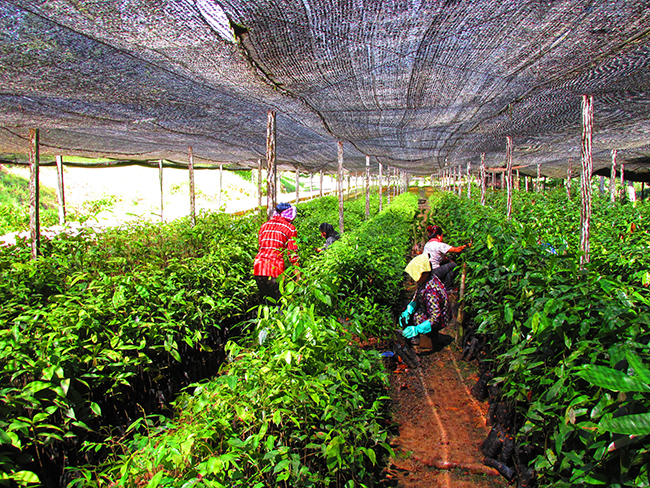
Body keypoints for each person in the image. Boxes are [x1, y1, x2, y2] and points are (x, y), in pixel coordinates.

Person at [398, 253, 450, 346]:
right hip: (428, 308)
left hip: (440, 317)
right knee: (411, 312)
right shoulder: (425, 281)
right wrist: (409, 310)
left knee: (418, 318)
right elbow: (417, 296)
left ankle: (427, 341)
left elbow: (435, 317)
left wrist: (418, 329)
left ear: (426, 272)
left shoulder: (432, 292)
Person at [253, 202, 299, 304]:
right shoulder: (290, 228)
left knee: (265, 301)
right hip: (274, 268)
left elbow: (261, 246)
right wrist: (298, 275)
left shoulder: (264, 226)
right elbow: (292, 254)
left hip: (258, 267)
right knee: (278, 302)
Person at [422, 225, 469, 291]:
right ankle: (447, 287)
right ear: (438, 236)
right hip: (434, 271)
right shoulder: (439, 245)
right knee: (454, 266)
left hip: (427, 271)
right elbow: (457, 250)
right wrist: (466, 245)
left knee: (447, 262)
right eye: (442, 236)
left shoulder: (427, 245)